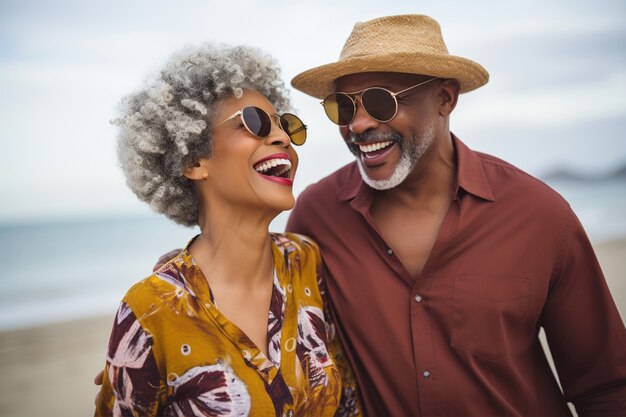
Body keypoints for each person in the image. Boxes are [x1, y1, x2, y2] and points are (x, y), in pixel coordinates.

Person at [286, 14, 626, 417]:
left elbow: (607, 388)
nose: (358, 124)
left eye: (381, 100)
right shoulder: (317, 215)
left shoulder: (541, 215)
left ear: (445, 99)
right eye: (344, 107)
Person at [94, 44, 361, 417]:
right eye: (254, 123)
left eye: (286, 125)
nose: (283, 137)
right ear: (193, 160)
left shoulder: (306, 261)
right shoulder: (149, 312)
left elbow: (349, 403)